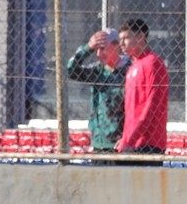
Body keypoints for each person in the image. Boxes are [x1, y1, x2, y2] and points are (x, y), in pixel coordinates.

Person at [67, 28, 131, 156]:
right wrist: (87, 48)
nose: (98, 54)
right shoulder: (97, 71)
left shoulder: (131, 70)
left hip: (122, 143)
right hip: (99, 142)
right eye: (96, 50)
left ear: (115, 46)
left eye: (102, 49)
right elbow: (71, 70)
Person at [115, 19, 169, 166]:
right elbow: (131, 110)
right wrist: (126, 138)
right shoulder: (133, 67)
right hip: (131, 144)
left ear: (140, 36)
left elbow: (152, 106)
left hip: (148, 144)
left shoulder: (153, 63)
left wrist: (131, 141)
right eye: (120, 39)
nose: (121, 44)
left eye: (126, 38)